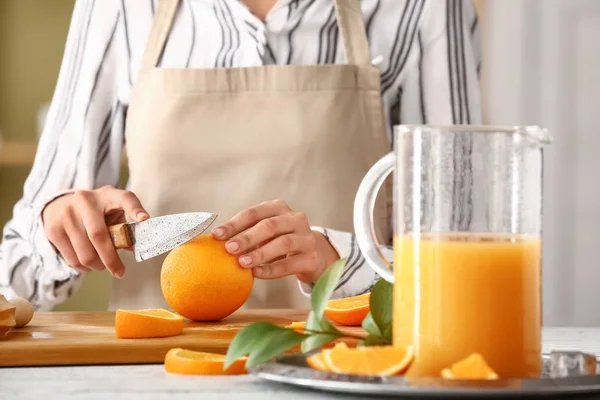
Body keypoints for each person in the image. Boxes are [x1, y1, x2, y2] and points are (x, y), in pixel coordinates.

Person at [0, 0, 481, 311]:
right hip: (154, 376)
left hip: (345, 374)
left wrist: (341, 260)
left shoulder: (425, 8)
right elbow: (17, 274)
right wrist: (59, 229)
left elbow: (463, 277)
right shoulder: (122, 7)